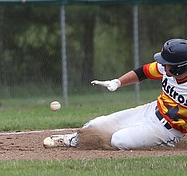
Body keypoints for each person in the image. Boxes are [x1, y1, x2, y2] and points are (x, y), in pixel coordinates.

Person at [43, 38, 187, 150]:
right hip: (151, 110)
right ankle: (71, 140)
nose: (162, 64)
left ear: (178, 68)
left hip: (168, 130)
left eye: (166, 62)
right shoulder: (165, 69)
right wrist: (117, 82)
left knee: (119, 140)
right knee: (94, 125)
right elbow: (142, 72)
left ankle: (161, 145)